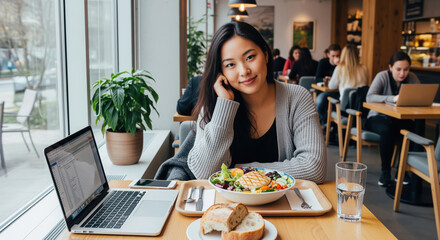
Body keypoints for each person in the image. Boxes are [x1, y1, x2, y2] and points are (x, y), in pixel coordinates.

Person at [187, 21, 326, 183]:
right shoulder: (215, 104)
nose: (244, 71)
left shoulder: (296, 97)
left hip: (284, 205)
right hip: (228, 205)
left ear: (266, 54)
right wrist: (224, 105)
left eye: (250, 57)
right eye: (230, 64)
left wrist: (239, 171)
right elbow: (204, 173)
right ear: (221, 71)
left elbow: (314, 168)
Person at [366, 51, 419, 187]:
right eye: (398, 69)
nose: (402, 73)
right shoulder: (382, 76)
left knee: (413, 131)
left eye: (406, 69)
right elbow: (370, 97)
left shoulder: (412, 78)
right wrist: (392, 99)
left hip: (399, 118)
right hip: (377, 117)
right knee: (387, 130)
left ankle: (403, 170)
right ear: (390, 67)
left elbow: (420, 95)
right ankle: (386, 171)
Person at [315, 44, 341, 124]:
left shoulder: (341, 65)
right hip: (324, 91)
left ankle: (332, 124)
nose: (335, 58)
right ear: (328, 55)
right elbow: (317, 78)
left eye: (337, 55)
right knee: (320, 101)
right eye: (333, 56)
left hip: (337, 91)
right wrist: (325, 79)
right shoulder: (323, 62)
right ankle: (323, 122)